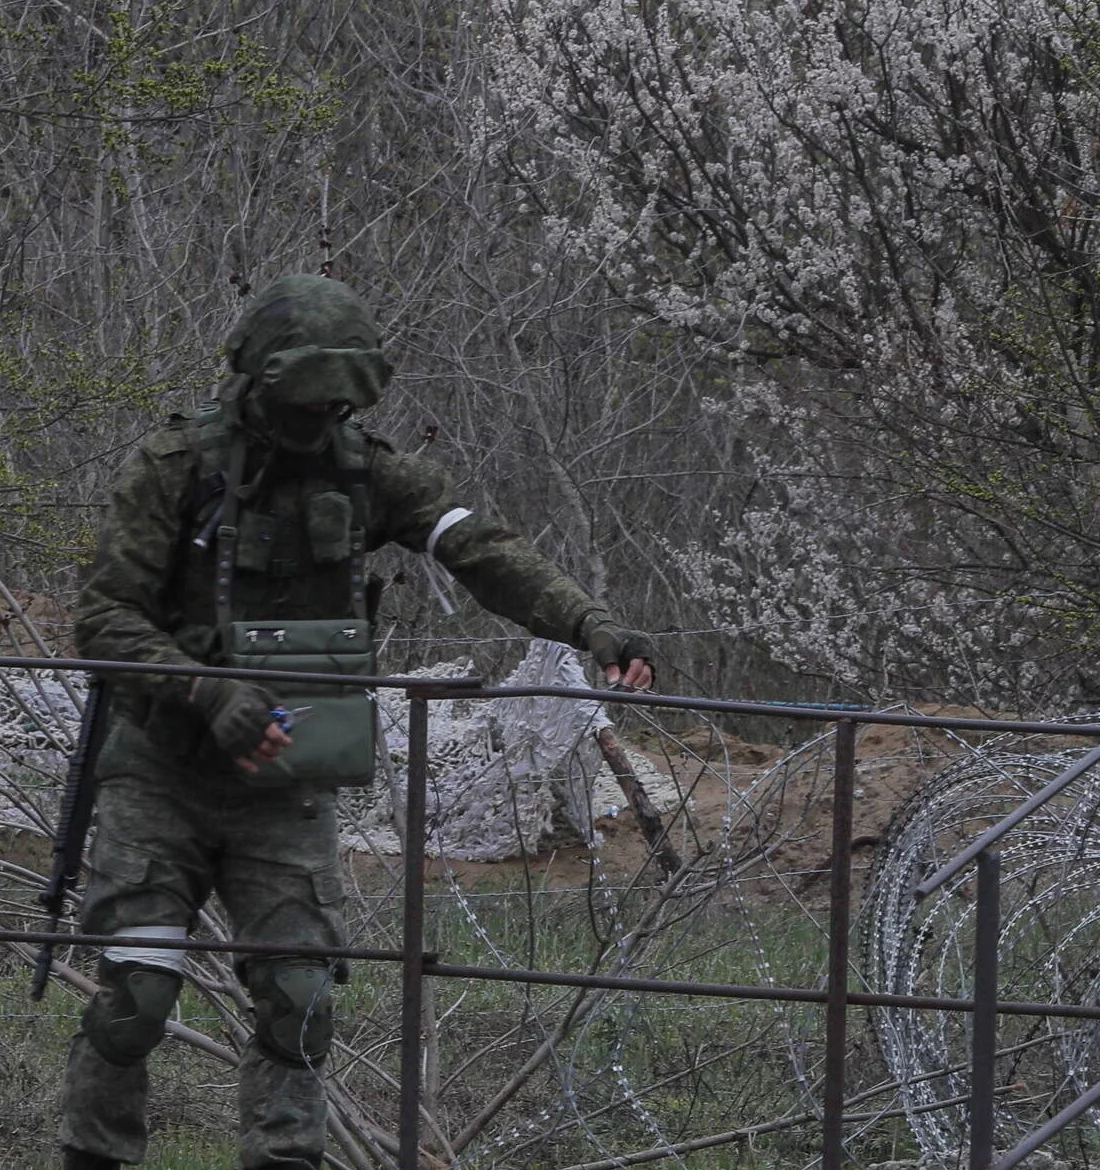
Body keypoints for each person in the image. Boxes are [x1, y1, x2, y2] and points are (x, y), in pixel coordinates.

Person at [58, 274, 658, 1170]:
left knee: (300, 1001)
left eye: (339, 401)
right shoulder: (175, 468)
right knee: (138, 995)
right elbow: (105, 618)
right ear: (258, 381)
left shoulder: (367, 472)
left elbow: (481, 550)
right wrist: (209, 692)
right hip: (162, 773)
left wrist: (591, 625)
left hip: (286, 783)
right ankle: (92, 1155)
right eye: (305, 400)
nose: (319, 419)